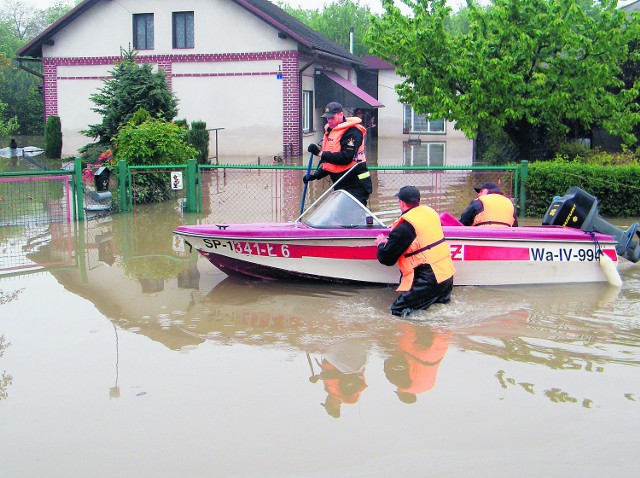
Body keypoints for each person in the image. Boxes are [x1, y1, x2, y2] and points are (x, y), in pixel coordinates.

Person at [376, 186, 455, 317]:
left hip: (428, 279)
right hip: (446, 275)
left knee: (396, 312)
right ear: (418, 201)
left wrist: (381, 244)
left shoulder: (405, 228)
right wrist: (397, 228)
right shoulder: (430, 213)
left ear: (401, 203)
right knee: (438, 311)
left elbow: (386, 259)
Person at [304, 102, 372, 206]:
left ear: (341, 114)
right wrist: (315, 175)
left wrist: (319, 153)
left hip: (356, 184)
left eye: (332, 117)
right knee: (336, 218)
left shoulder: (353, 132)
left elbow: (346, 158)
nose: (329, 120)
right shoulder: (331, 131)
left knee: (350, 216)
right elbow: (332, 164)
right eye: (327, 118)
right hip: (341, 183)